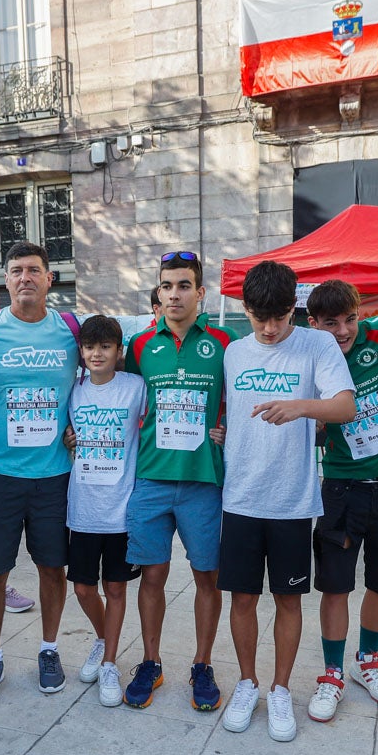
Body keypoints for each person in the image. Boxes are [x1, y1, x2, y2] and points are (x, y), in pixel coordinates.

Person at [219, 260, 355, 742]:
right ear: (246, 310)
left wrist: (301, 406)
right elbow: (229, 415)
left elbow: (345, 405)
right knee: (242, 597)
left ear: (295, 307)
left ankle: (279, 689)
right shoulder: (234, 353)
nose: (272, 328)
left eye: (280, 317)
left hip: (292, 502)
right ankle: (247, 683)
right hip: (240, 497)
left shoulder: (316, 343)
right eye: (261, 318)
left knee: (288, 598)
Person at [123, 251, 236, 711]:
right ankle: (151, 662)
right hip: (150, 479)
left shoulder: (226, 342)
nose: (175, 294)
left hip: (203, 481)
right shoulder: (139, 345)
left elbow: (245, 394)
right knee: (152, 575)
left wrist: (229, 426)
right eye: (167, 286)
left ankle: (202, 664)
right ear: (159, 292)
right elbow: (115, 395)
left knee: (206, 577)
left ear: (200, 292)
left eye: (184, 285)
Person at [302, 280, 378, 723]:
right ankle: (331, 673)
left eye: (350, 319)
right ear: (313, 324)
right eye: (331, 323)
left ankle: (367, 661)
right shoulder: (311, 357)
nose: (344, 330)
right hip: (340, 489)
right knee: (335, 584)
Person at [0, 241, 79, 702]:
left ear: (50, 279)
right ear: (5, 280)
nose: (25, 278)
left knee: (53, 569)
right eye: (16, 271)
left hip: (55, 475)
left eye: (34, 270)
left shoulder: (72, 329)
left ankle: (49, 649)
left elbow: (108, 376)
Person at [64, 315, 145, 706]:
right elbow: (65, 434)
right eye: (90, 347)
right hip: (82, 508)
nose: (97, 354)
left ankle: (110, 661)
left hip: (122, 509)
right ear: (81, 352)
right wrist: (68, 439)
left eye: (105, 347)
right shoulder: (73, 390)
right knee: (82, 588)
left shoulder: (135, 388)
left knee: (115, 588)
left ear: (119, 352)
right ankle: (103, 638)